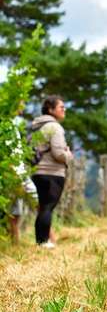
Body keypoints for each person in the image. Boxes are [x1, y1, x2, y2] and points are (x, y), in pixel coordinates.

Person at [30, 95, 73, 248]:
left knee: (43, 207)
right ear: (51, 109)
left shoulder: (36, 126)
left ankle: (40, 241)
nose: (64, 109)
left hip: (37, 171)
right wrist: (68, 154)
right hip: (52, 173)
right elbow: (58, 154)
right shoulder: (54, 127)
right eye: (61, 107)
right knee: (47, 207)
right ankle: (43, 242)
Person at [7, 102, 37, 244]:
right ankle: (16, 240)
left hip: (20, 171)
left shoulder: (14, 125)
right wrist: (13, 171)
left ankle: (17, 239)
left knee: (18, 207)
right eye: (20, 104)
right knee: (21, 206)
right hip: (14, 172)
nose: (23, 107)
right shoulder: (6, 125)